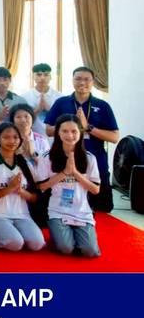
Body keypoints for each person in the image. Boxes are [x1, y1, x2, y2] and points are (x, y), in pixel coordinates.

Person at [44, 66, 118, 213]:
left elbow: (114, 137)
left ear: (93, 82)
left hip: (94, 157)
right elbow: (49, 131)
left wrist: (88, 127)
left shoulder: (102, 105)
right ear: (72, 80)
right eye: (78, 79)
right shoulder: (62, 102)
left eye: (86, 79)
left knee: (104, 208)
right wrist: (70, 127)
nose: (82, 83)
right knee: (66, 202)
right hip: (65, 156)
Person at [38, 114, 101, 257]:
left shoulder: (90, 158)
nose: (70, 135)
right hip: (58, 210)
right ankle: (60, 236)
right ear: (58, 133)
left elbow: (95, 189)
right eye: (65, 131)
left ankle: (75, 238)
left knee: (90, 251)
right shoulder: (46, 157)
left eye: (74, 131)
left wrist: (76, 173)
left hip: (82, 211)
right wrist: (65, 173)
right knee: (66, 248)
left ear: (80, 133)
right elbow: (42, 187)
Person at [0, 123, 45, 252]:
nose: (12, 141)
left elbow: (35, 198)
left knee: (37, 244)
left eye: (15, 137)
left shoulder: (25, 163)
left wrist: (20, 190)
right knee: (15, 243)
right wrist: (9, 188)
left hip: (21, 214)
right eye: (6, 137)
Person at [22, 63, 62, 136]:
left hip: (55, 137)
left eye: (46, 75)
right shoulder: (24, 97)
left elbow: (64, 120)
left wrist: (50, 110)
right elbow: (21, 120)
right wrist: (38, 110)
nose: (42, 78)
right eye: (39, 75)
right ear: (33, 77)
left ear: (50, 77)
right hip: (33, 137)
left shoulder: (60, 97)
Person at [9, 103, 50, 169]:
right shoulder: (8, 140)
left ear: (32, 118)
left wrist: (33, 154)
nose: (23, 120)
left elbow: (48, 165)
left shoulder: (41, 140)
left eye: (26, 116)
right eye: (18, 117)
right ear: (13, 121)